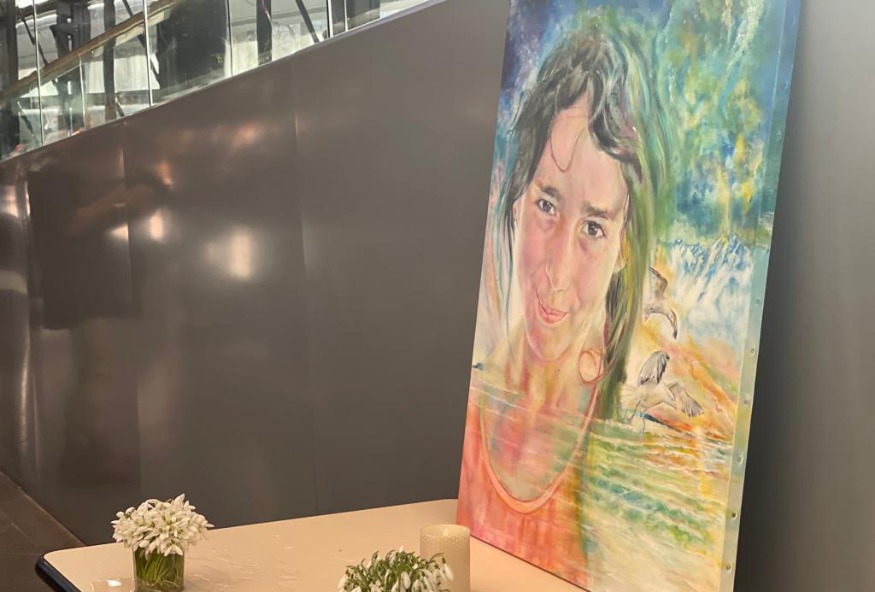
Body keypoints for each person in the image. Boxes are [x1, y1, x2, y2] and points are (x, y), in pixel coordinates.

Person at [457, 18, 668, 587]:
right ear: (517, 197)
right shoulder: (476, 406)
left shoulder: (633, 453)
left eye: (594, 228)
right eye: (547, 205)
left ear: (624, 247)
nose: (558, 271)